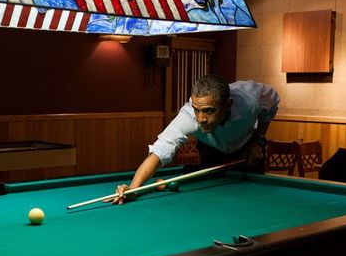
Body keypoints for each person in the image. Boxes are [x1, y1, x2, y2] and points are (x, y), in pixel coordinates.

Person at [111, 74, 279, 204]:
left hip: (247, 150)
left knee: (253, 198)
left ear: (228, 105)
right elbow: (160, 150)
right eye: (197, 110)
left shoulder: (250, 99)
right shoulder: (189, 117)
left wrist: (259, 140)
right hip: (212, 152)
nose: (200, 119)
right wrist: (133, 188)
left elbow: (272, 102)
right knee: (213, 197)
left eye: (209, 111)